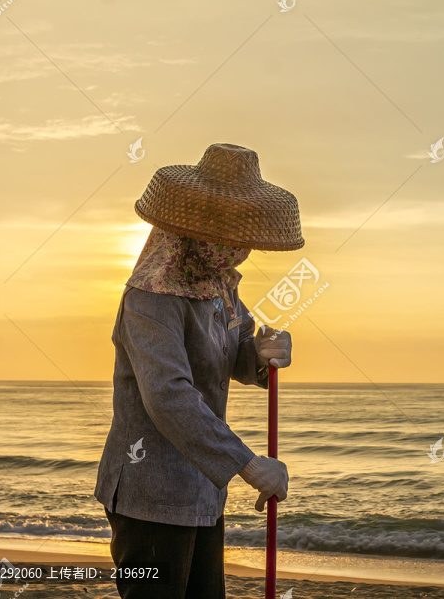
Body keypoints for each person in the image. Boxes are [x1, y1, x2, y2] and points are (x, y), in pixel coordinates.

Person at [94, 143, 305, 598]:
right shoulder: (151, 298)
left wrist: (265, 355)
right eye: (226, 234)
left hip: (202, 491)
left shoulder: (218, 287)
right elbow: (168, 394)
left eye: (242, 236)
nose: (239, 250)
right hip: (150, 493)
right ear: (192, 229)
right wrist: (248, 464)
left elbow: (237, 351)